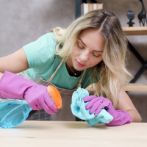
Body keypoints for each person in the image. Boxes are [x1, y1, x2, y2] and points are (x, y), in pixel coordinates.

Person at [0, 9, 142, 125]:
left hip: (48, 127)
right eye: (80, 45)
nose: (83, 57)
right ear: (73, 35)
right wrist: (26, 89)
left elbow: (134, 115)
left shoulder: (101, 70)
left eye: (96, 54)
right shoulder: (48, 48)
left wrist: (115, 115)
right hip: (9, 114)